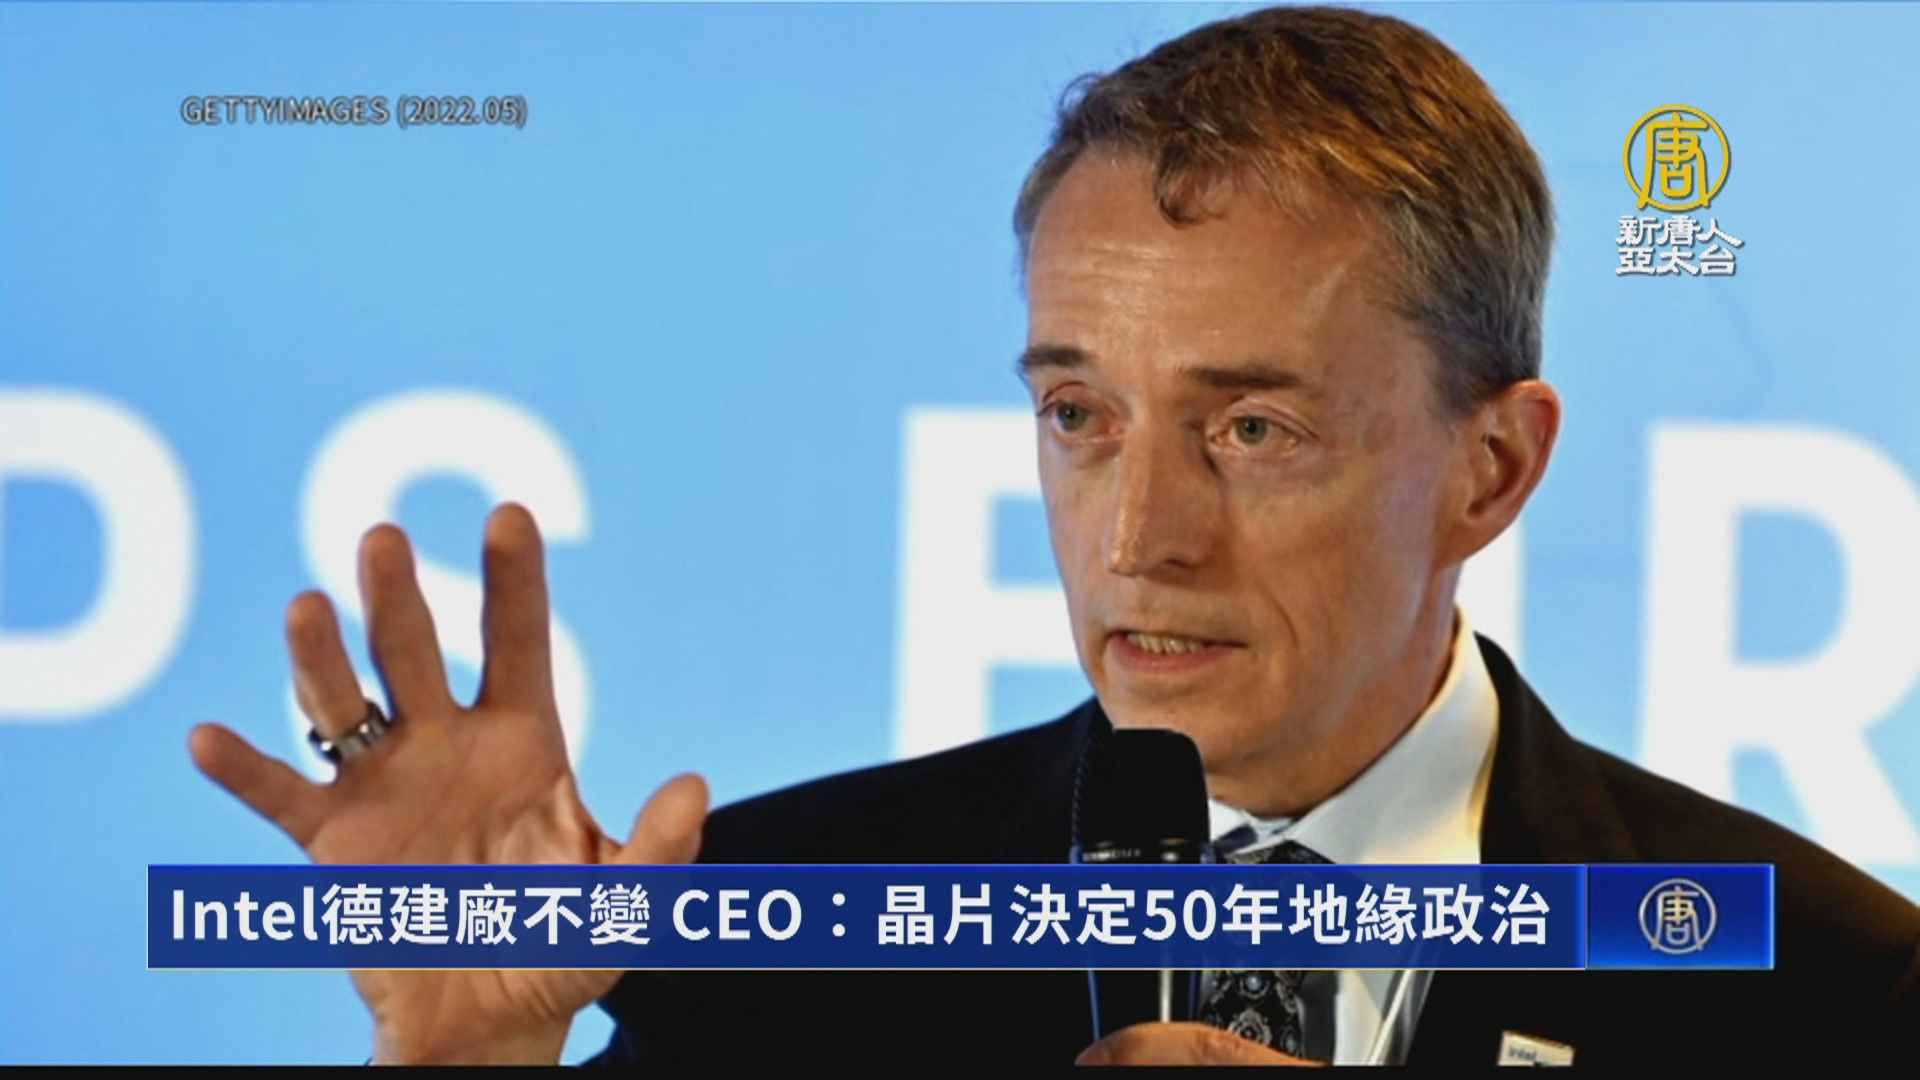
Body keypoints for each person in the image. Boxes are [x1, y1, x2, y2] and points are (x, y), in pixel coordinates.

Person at [190, 5, 1920, 1066]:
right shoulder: (778, 934)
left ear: (1491, 469)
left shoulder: (1831, 990)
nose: (1140, 537)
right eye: (1080, 416)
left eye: (1252, 430)